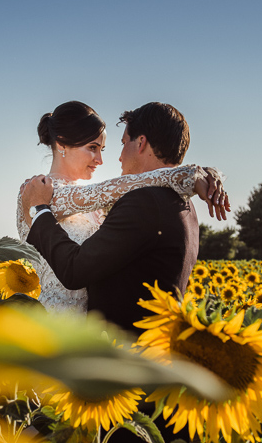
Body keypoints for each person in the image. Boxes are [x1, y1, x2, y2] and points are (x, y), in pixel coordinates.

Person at [21, 101, 229, 334]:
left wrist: (198, 174)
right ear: (60, 144)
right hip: (55, 330)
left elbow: (76, 268)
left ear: (140, 143)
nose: (105, 159)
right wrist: (196, 174)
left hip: (112, 344)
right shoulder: (184, 205)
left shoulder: (144, 202)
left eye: (115, 146)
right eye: (92, 147)